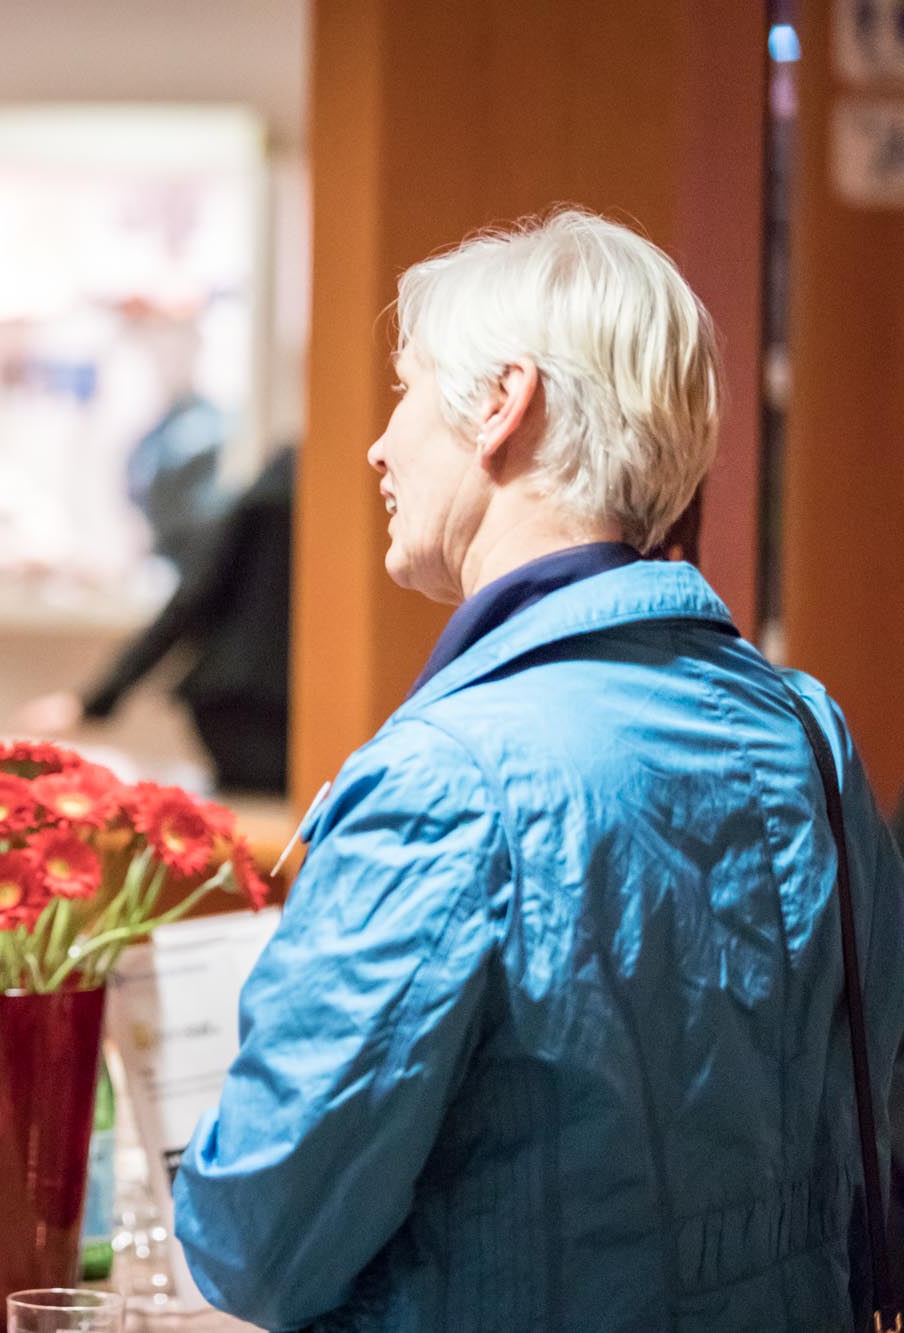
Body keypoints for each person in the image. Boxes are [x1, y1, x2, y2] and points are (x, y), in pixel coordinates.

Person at [172, 210, 904, 1330]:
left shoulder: (448, 780)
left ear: (501, 404)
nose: (377, 447)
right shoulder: (809, 731)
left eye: (406, 390)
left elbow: (256, 1242)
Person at [17, 444, 293, 794]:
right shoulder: (284, 488)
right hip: (249, 705)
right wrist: (93, 701)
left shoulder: (291, 483)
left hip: (256, 701)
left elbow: (192, 599)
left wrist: (93, 701)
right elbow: (192, 601)